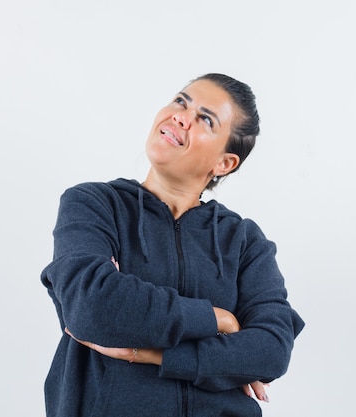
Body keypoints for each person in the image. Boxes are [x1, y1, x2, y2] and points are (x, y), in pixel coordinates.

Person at [40, 73, 305, 417]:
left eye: (205, 119)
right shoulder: (94, 204)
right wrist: (219, 320)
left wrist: (156, 354)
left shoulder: (244, 242)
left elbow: (271, 350)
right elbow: (91, 305)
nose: (181, 116)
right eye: (181, 101)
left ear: (223, 163)